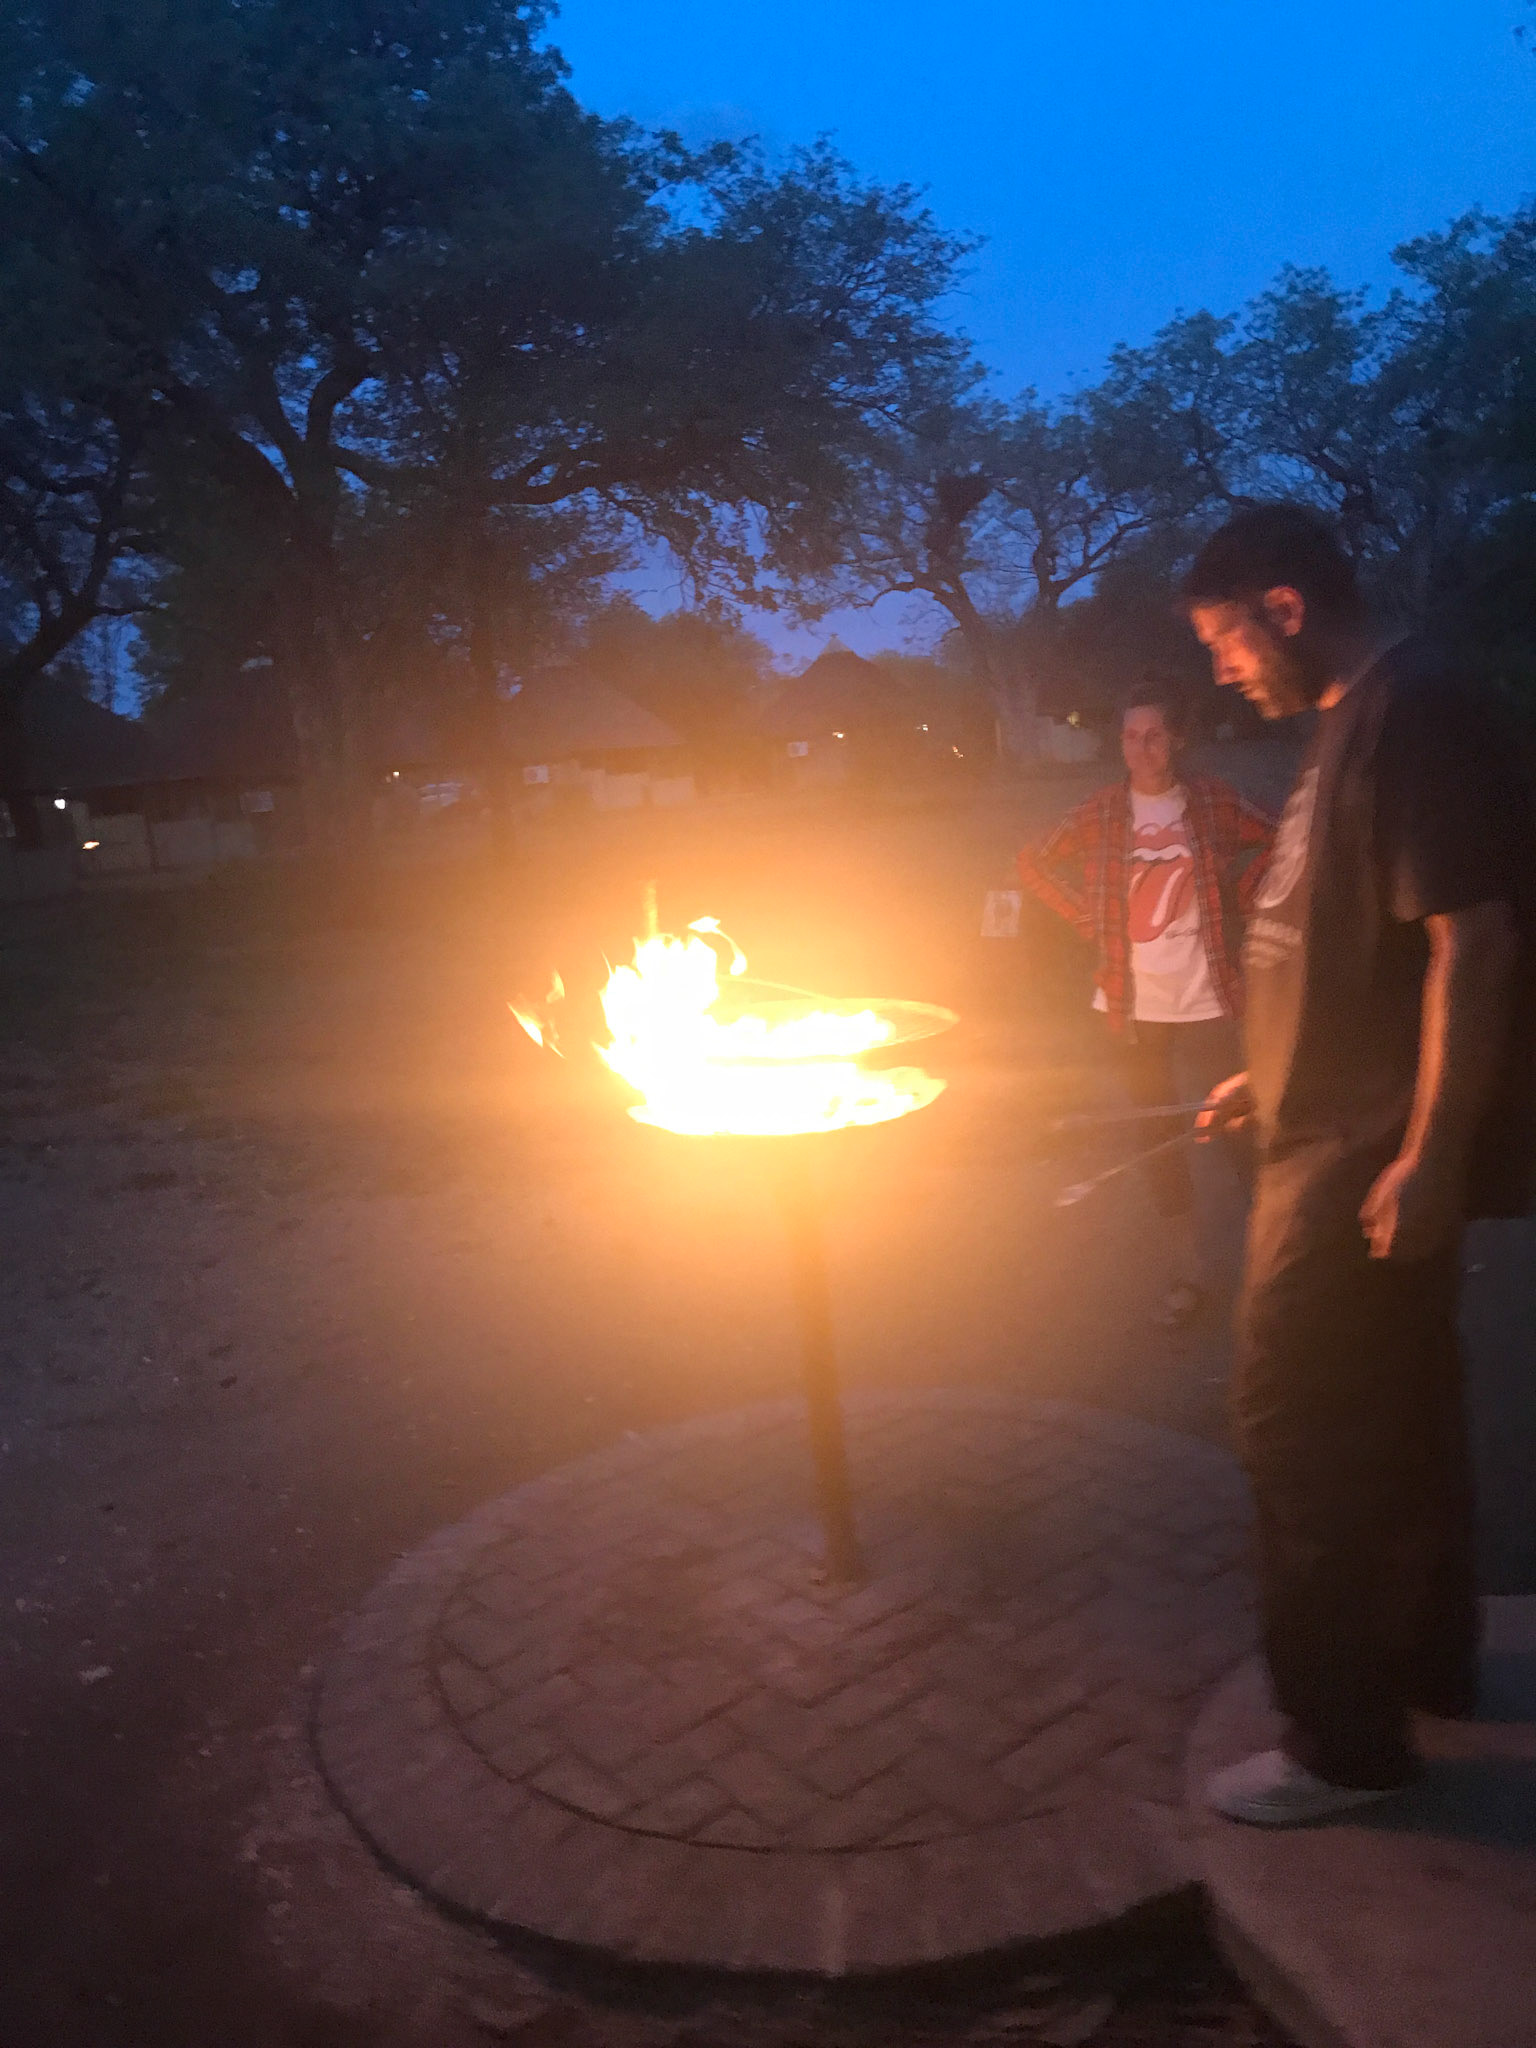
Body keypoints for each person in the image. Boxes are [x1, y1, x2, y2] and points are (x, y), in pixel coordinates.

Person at [1186, 504, 1535, 1826]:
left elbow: (1473, 942)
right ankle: (1430, 1664)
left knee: (1299, 1430)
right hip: (1325, 1125)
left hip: (1357, 1162)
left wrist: (1432, 1154)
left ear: (1285, 608)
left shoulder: (1415, 710)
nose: (1223, 668)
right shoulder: (1357, 717)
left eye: (1226, 639)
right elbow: (1350, 952)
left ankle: (1343, 1745)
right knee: (1400, 1411)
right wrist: (1267, 1075)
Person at [1019, 681, 1275, 1324]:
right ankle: (1186, 1273)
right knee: (1157, 1136)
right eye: (1131, 736)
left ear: (1177, 739)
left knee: (1240, 1130)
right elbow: (1033, 862)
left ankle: (1274, 1270)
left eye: (1155, 735)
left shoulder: (1212, 801)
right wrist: (1087, 917)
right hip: (1130, 1004)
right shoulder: (1103, 811)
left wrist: (1247, 890)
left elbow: (1279, 840)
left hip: (1209, 995)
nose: (1142, 747)